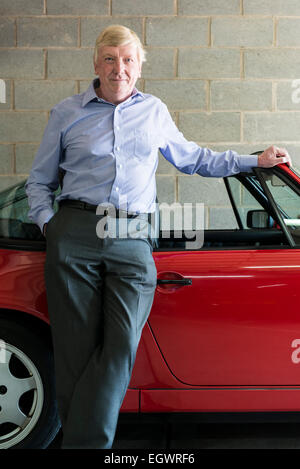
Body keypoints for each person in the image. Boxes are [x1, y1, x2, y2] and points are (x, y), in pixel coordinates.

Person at [25, 25, 291, 449]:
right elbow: (39, 182)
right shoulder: (66, 112)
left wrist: (252, 160)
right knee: (74, 353)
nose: (119, 68)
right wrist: (50, 225)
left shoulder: (154, 111)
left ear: (140, 67)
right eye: (110, 58)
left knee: (120, 345)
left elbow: (193, 159)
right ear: (96, 64)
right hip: (74, 231)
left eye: (128, 59)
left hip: (132, 232)